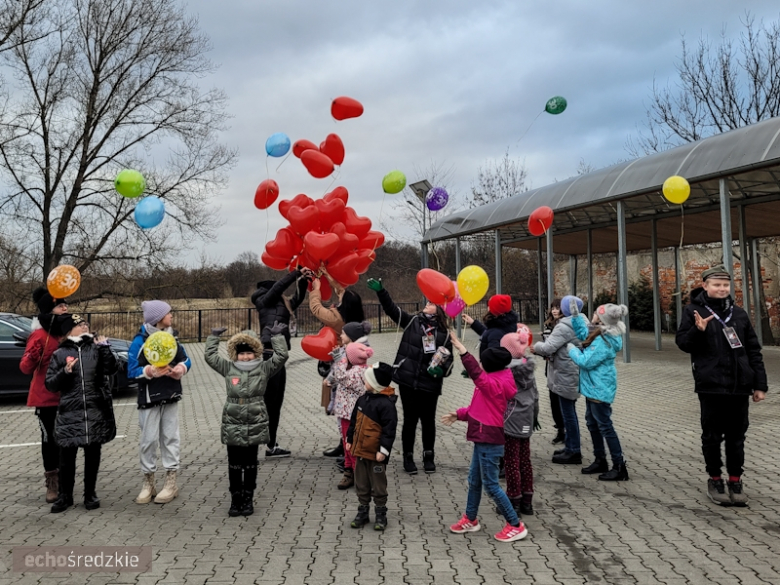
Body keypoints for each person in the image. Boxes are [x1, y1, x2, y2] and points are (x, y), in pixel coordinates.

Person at [675, 265, 767, 506]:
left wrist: (760, 384)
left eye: (725, 285)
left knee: (737, 436)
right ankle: (715, 479)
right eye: (716, 285)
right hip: (711, 386)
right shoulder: (693, 311)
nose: (722, 289)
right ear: (705, 286)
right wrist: (698, 330)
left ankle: (735, 481)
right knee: (712, 436)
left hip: (739, 386)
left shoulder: (739, 314)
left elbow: (754, 351)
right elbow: (683, 343)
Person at [443, 332, 528, 543]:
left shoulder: (494, 384)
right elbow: (478, 408)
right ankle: (470, 519)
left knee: (491, 485)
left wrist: (463, 352)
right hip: (481, 437)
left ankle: (515, 525)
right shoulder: (492, 379)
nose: (480, 363)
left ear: (490, 365)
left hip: (489, 440)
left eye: (483, 361)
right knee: (474, 481)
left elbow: (476, 374)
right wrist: (460, 414)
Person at [367, 277, 453, 474]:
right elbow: (392, 310)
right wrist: (381, 291)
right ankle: (408, 457)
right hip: (408, 381)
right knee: (410, 420)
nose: (427, 304)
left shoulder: (445, 334)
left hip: (430, 385)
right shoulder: (412, 321)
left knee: (428, 421)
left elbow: (449, 363)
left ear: (439, 310)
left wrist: (441, 371)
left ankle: (428, 456)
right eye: (427, 302)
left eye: (431, 303)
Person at [205, 322, 288, 517]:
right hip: (232, 421)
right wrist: (213, 338)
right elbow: (210, 357)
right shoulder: (228, 367)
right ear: (235, 354)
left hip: (255, 420)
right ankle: (236, 499)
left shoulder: (264, 368)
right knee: (234, 462)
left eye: (249, 353)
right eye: (241, 353)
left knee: (250, 462)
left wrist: (277, 338)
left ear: (256, 353)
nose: (245, 357)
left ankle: (248, 497)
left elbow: (281, 357)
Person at [45, 314, 117, 513]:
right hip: (70, 413)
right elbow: (50, 384)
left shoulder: (95, 347)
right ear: (69, 330)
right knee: (66, 458)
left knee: (93, 455)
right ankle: (65, 496)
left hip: (94, 410)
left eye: (86, 323)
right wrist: (65, 372)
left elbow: (112, 369)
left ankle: (90, 494)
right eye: (80, 324)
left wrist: (106, 349)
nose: (85, 325)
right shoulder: (60, 353)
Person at [127, 300, 191, 505]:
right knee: (148, 441)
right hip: (148, 399)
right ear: (157, 318)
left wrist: (180, 369)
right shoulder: (140, 341)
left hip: (170, 395)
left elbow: (186, 358)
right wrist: (150, 372)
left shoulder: (171, 337)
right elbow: (131, 371)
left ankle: (171, 482)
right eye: (168, 313)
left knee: (170, 438)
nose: (171, 315)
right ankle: (148, 482)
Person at [250, 267, 313, 458]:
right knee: (269, 403)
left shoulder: (281, 303)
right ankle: (253, 443)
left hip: (280, 356)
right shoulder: (263, 300)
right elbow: (278, 288)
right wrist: (294, 273)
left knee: (276, 403)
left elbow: (296, 299)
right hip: (270, 355)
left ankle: (271, 445)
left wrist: (303, 280)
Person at [567, 301, 630, 481]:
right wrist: (576, 316)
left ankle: (619, 466)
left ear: (602, 319)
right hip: (593, 388)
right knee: (592, 423)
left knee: (604, 426)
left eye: (596, 313)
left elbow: (585, 361)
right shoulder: (602, 332)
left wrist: (571, 350)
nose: (593, 314)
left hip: (599, 389)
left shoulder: (604, 340)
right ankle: (600, 459)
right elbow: (583, 333)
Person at [20, 287, 69, 503]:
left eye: (65, 304)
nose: (65, 307)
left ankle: (67, 480)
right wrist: (32, 356)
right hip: (45, 397)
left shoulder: (68, 332)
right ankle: (52, 481)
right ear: (50, 310)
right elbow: (25, 367)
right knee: (50, 440)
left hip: (68, 397)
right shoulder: (39, 335)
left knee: (67, 439)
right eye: (60, 305)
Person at [309, 275, 365, 459]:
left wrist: (316, 289)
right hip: (351, 367)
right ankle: (344, 444)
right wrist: (327, 275)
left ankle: (346, 447)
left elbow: (316, 308)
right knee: (346, 409)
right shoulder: (355, 316)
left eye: (342, 296)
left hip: (340, 366)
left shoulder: (337, 318)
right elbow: (342, 291)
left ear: (345, 304)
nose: (339, 296)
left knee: (341, 407)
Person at [346, 362, 398, 531]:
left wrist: (384, 450)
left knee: (378, 484)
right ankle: (363, 511)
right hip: (360, 451)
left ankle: (381, 512)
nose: (364, 382)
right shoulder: (362, 399)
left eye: (367, 380)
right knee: (361, 482)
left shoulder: (386, 405)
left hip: (376, 455)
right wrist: (349, 438)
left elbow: (389, 430)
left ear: (375, 384)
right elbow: (354, 421)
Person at [532, 295, 584, 464]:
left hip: (565, 372)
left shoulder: (564, 326)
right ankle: (570, 445)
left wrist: (535, 347)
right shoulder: (580, 320)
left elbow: (548, 347)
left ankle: (574, 450)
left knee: (568, 414)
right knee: (570, 412)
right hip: (572, 370)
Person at [499, 331, 539, 515]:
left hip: (510, 420)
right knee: (525, 460)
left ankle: (513, 499)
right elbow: (536, 396)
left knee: (511, 462)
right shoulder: (529, 369)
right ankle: (527, 501)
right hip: (526, 420)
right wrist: (534, 418)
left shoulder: (507, 372)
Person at [329, 337, 374, 489]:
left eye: (346, 355)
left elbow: (340, 376)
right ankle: (349, 470)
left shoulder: (357, 372)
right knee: (346, 442)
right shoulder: (359, 368)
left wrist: (336, 358)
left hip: (351, 415)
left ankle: (358, 474)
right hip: (345, 414)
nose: (343, 358)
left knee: (351, 444)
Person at [542, 299, 565, 445]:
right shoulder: (548, 324)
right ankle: (560, 430)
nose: (555, 311)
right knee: (553, 402)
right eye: (553, 308)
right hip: (550, 366)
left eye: (557, 308)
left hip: (563, 367)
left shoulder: (565, 325)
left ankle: (566, 430)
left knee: (564, 402)